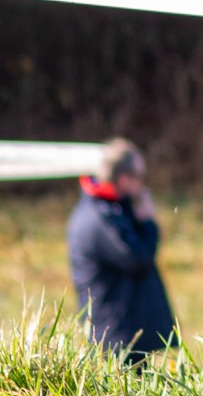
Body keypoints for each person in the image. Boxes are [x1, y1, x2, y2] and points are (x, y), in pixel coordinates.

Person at [67, 137, 177, 362]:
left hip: (124, 335)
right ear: (125, 179)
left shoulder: (112, 209)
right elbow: (138, 258)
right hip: (114, 340)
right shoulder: (100, 218)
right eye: (140, 177)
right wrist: (148, 222)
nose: (143, 186)